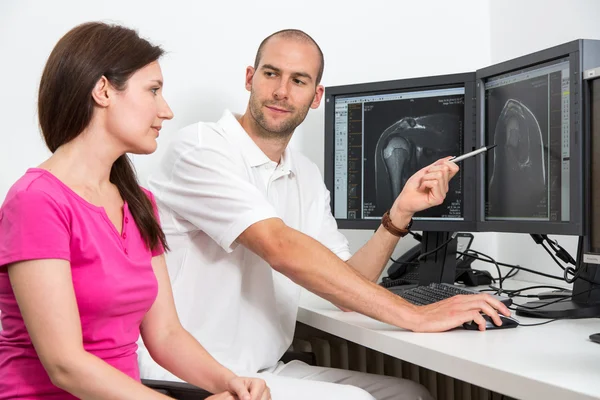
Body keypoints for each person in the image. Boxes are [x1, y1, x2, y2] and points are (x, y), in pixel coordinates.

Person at [139, 29, 511, 400]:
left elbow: (350, 288)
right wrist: (415, 315)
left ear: (316, 96)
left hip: (264, 370)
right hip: (192, 377)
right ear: (250, 78)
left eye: (298, 80)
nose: (282, 91)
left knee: (409, 394)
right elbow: (278, 245)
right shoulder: (201, 148)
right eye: (271, 74)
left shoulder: (305, 174)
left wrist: (399, 212)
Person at [0, 22, 269, 400]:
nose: (167, 110)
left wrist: (231, 383)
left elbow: (165, 334)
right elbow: (65, 365)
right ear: (104, 90)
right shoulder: (36, 201)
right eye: (154, 91)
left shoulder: (139, 203)